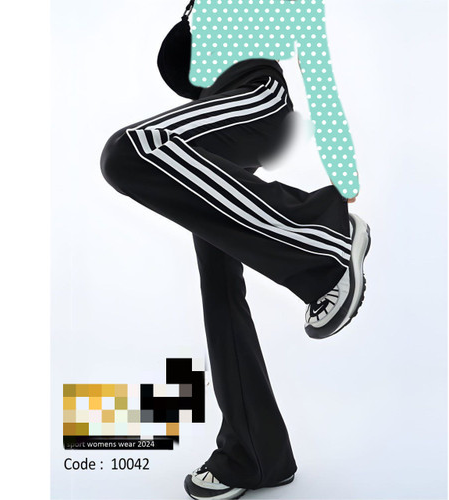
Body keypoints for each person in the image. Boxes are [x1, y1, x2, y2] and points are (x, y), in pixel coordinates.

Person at [100, 1, 370, 498]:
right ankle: (256, 454)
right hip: (211, 134)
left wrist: (343, 169)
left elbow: (316, 63)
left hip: (255, 98)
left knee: (128, 151)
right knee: (220, 288)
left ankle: (324, 248)